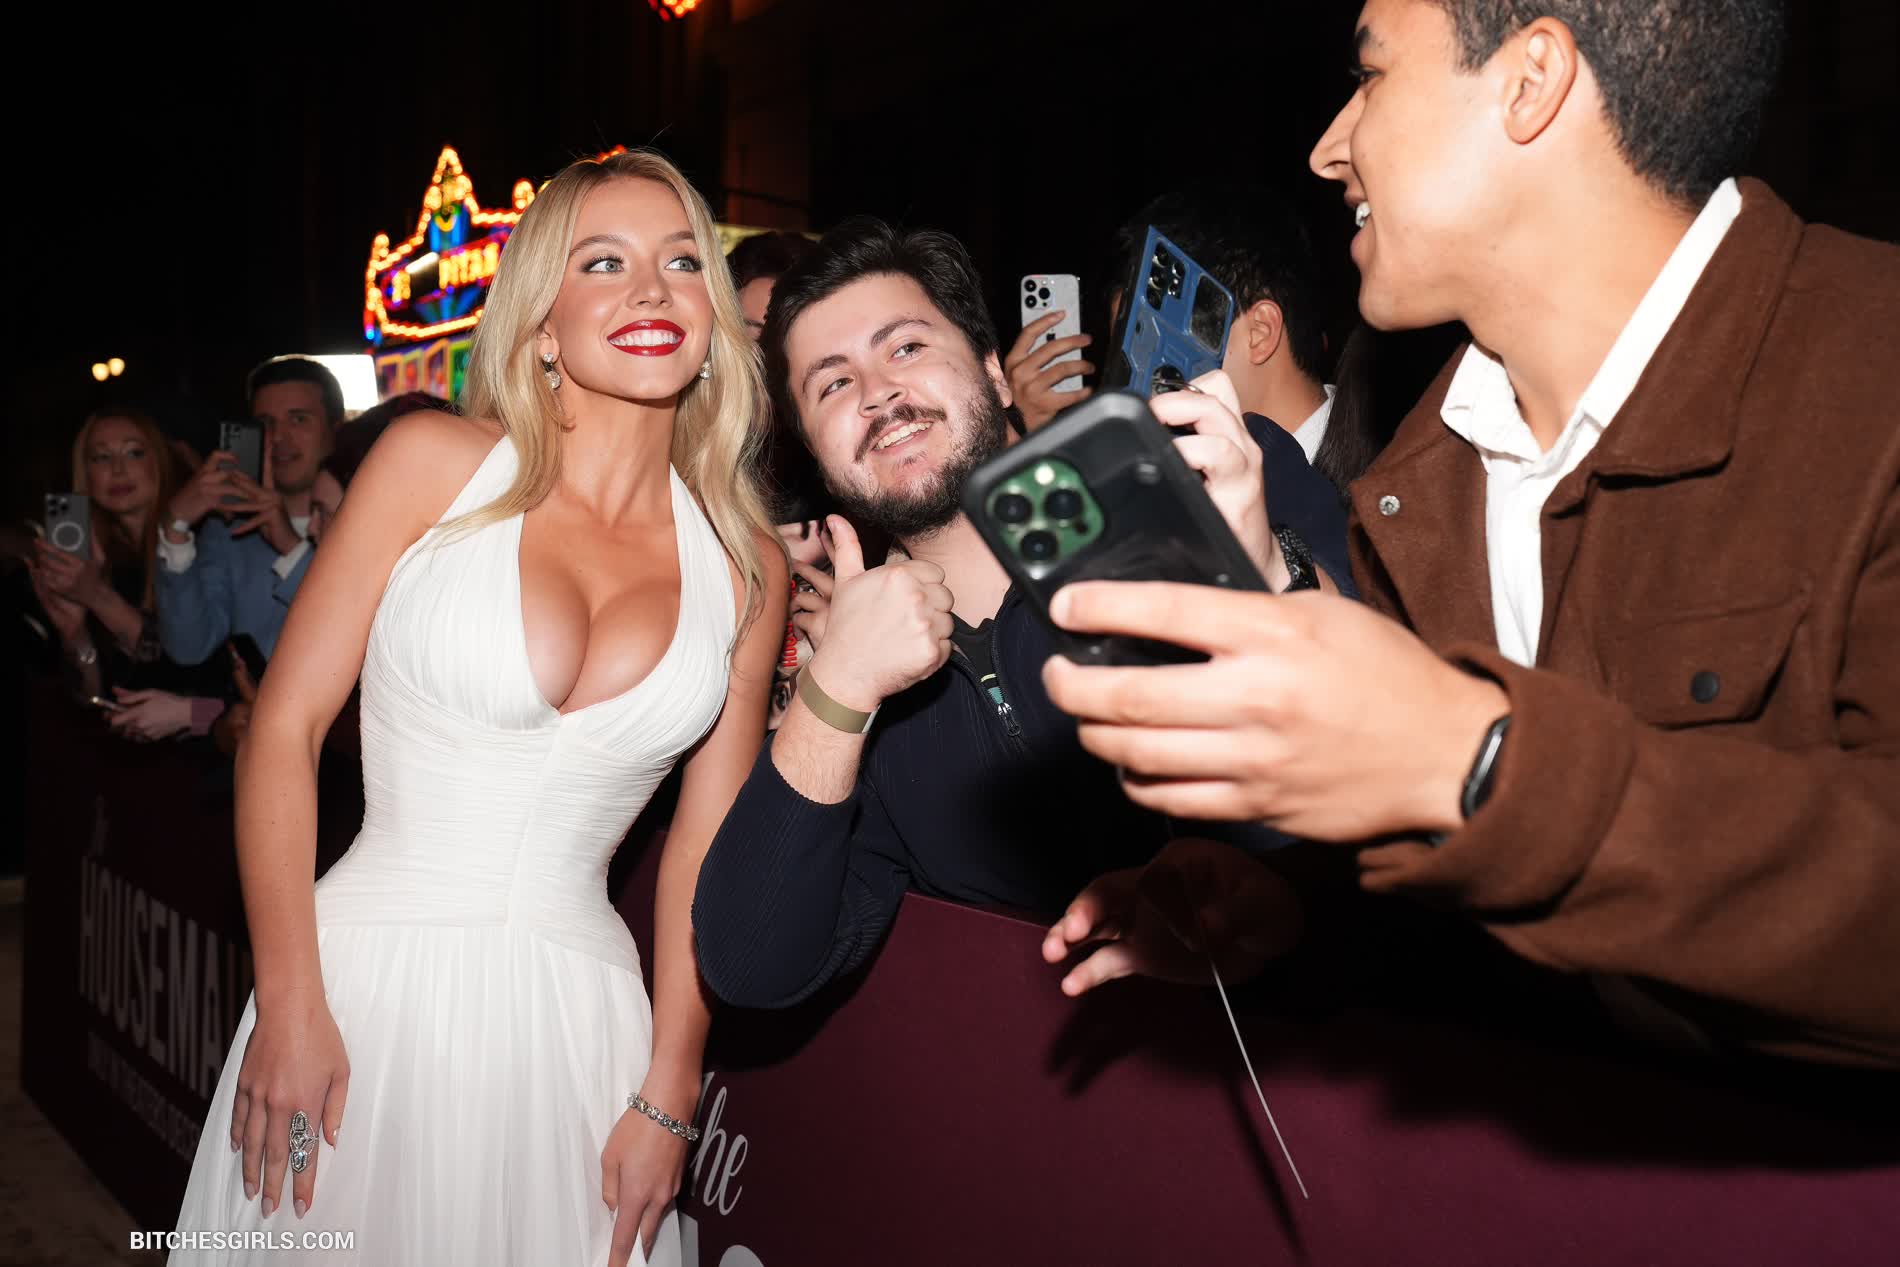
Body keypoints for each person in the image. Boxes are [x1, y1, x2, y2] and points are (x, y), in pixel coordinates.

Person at [1039, 0, 1900, 1069]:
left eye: (1372, 77)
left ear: (1530, 81)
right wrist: (1296, 909)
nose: (1327, 148)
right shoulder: (1422, 481)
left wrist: (1478, 757)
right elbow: (1478, 932)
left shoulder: (1872, 372)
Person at [167, 149, 788, 1266]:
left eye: (682, 261)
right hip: (359, 987)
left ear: (713, 319)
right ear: (543, 321)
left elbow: (704, 855)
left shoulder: (745, 563)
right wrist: (290, 1004)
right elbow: (284, 731)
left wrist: (670, 1088)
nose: (652, 291)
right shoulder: (431, 464)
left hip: (582, 1027)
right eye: (605, 263)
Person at [691, 218, 1338, 1011]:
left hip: (1329, 1058)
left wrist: (1260, 571)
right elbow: (750, 962)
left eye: (906, 347)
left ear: (996, 373)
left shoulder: (1212, 470)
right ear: (815, 456)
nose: (878, 392)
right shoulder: (865, 702)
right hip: (1046, 1079)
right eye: (832, 384)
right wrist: (838, 691)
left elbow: (1394, 721)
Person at [26, 408, 230, 740]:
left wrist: (97, 597)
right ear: (86, 474)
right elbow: (92, 702)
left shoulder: (203, 539)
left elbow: (193, 668)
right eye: (101, 458)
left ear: (160, 460)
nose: (118, 469)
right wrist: (75, 633)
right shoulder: (99, 559)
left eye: (134, 453)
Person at [155, 357, 342, 666]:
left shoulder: (363, 520)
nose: (279, 437)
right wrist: (175, 529)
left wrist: (292, 548)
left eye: (298, 419)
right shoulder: (229, 531)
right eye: (266, 423)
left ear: (336, 429)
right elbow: (188, 648)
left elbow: (355, 630)